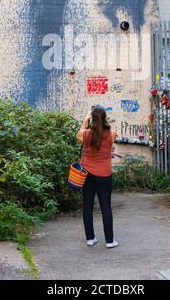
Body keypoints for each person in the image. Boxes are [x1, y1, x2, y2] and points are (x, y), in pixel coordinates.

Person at [77, 105, 119, 248]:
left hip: (87, 174)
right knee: (106, 207)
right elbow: (108, 137)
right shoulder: (111, 134)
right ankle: (109, 241)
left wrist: (86, 119)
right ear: (105, 118)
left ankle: (90, 238)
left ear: (92, 118)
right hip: (104, 174)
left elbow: (79, 135)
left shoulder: (86, 134)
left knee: (87, 206)